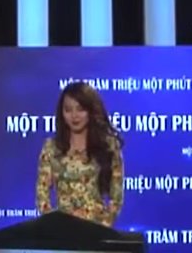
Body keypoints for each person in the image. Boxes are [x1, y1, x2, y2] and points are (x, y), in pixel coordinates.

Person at [35, 81, 125, 227]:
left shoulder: (108, 146)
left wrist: (104, 226)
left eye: (80, 109)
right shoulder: (51, 147)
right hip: (62, 230)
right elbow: (42, 195)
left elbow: (116, 197)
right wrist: (53, 227)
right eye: (68, 110)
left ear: (90, 110)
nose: (74, 116)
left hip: (97, 229)